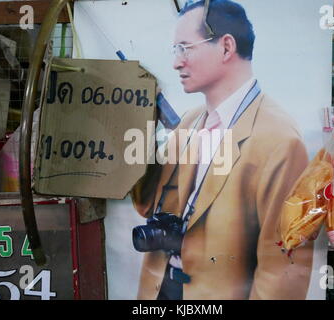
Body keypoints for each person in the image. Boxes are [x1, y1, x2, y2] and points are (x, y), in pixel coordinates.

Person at [131, 0, 314, 300]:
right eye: (175, 50)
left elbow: (283, 270)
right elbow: (147, 205)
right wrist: (139, 121)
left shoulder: (280, 140)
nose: (177, 62)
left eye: (185, 48)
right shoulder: (190, 122)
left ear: (226, 47)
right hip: (160, 291)